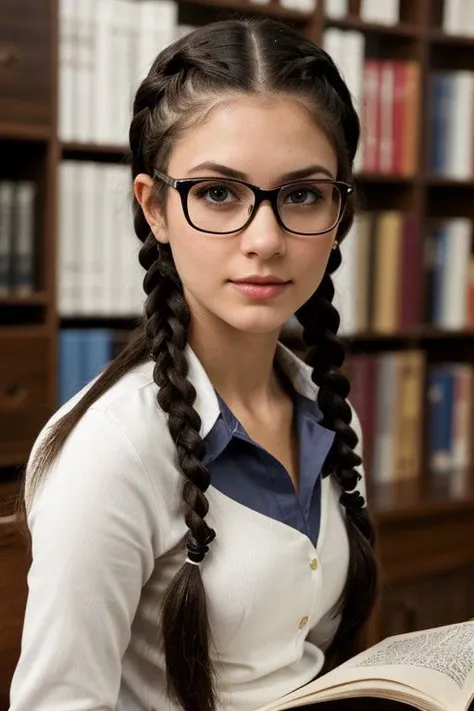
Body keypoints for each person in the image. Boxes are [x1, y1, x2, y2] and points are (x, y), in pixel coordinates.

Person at [9, 17, 378, 711]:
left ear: (339, 214)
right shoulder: (111, 452)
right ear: (155, 207)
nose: (264, 240)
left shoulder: (331, 416)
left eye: (302, 194)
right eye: (218, 193)